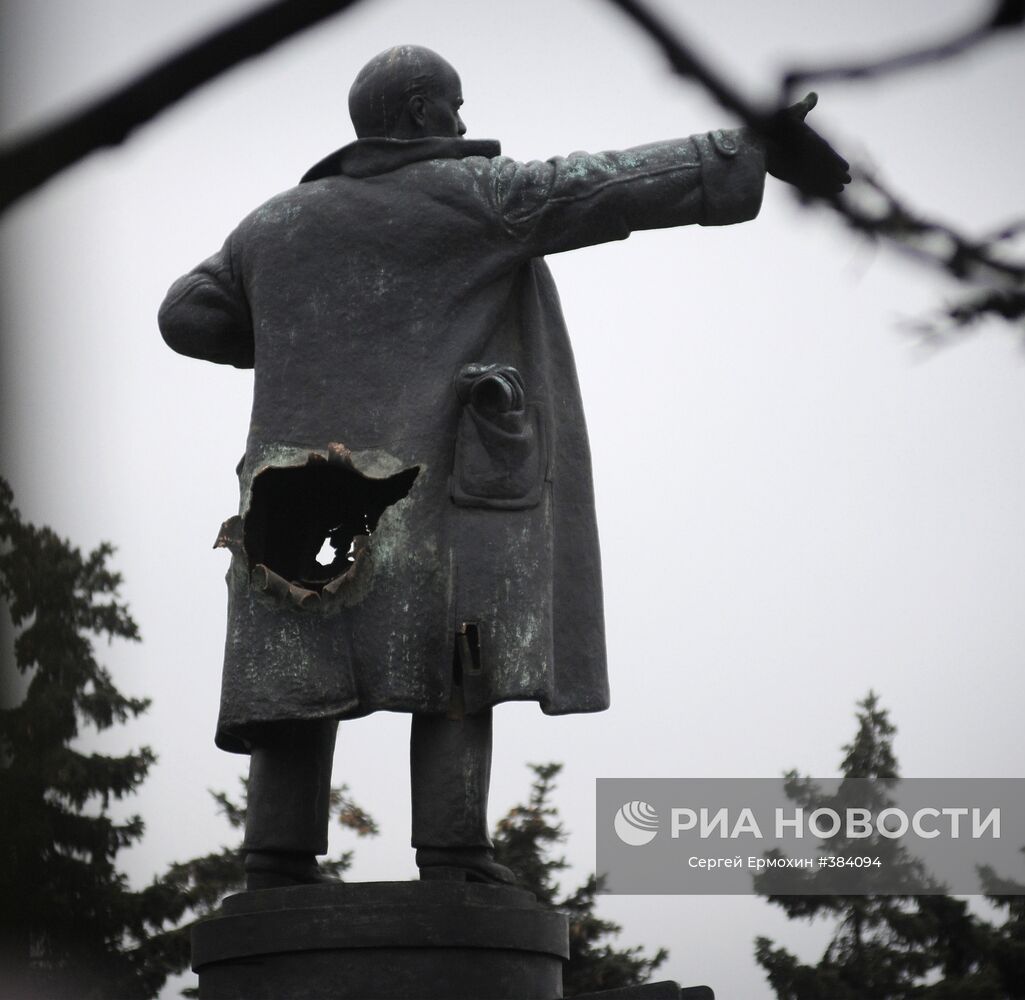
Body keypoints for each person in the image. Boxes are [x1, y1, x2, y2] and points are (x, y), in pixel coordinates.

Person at [159, 45, 848, 889]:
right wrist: (744, 147)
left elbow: (185, 314)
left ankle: (274, 858)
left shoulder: (273, 224)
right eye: (453, 106)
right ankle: (452, 855)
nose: (462, 123)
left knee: (298, 672)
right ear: (420, 113)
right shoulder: (476, 196)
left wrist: (314, 335)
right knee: (454, 657)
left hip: (297, 500)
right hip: (423, 494)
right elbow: (604, 183)